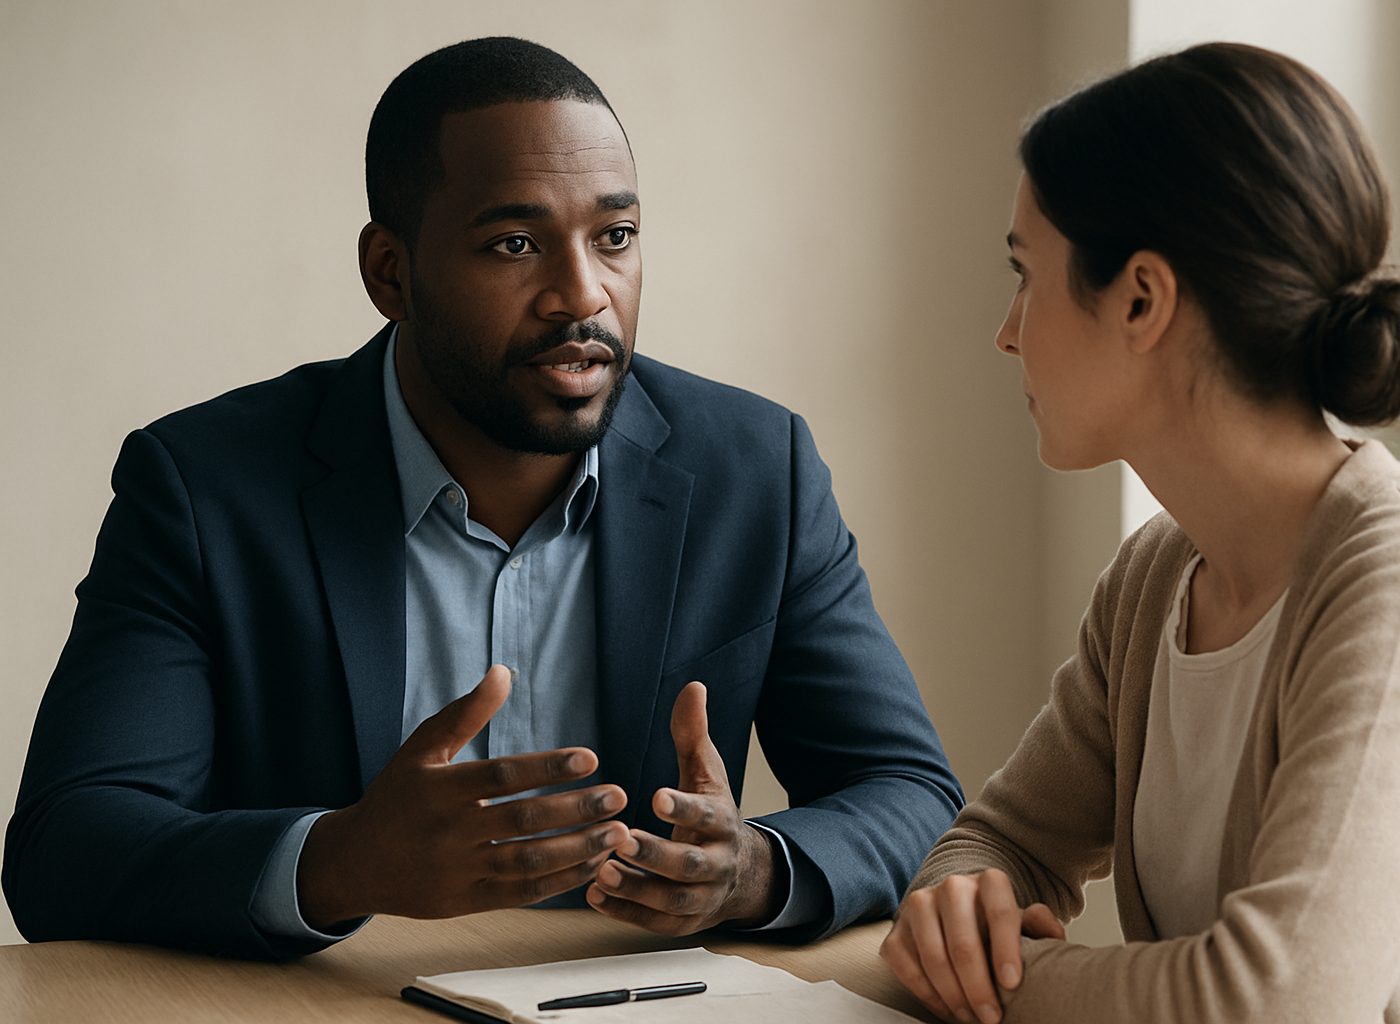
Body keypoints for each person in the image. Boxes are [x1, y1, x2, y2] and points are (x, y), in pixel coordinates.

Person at [3, 36, 963, 961]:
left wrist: (752, 869)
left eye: (616, 237)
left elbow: (911, 793)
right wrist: (340, 862)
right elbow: (64, 849)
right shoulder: (206, 487)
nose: (582, 295)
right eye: (514, 243)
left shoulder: (756, 470)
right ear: (392, 272)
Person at [880, 41, 1400, 1023]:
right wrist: (952, 916)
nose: (1007, 331)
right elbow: (1004, 840)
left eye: (1029, 276)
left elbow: (1275, 1001)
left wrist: (1000, 983)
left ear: (1142, 297)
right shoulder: (1156, 575)